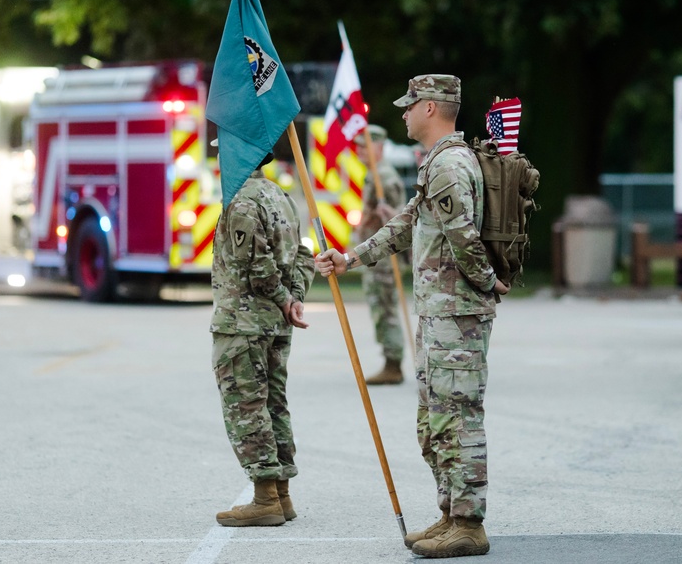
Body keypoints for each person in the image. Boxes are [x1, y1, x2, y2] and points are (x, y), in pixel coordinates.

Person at [315, 74, 509, 559]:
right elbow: (405, 223)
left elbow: (463, 238)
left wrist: (486, 281)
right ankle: (450, 514)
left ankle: (468, 523)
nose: (402, 112)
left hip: (457, 315)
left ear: (431, 108)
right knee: (434, 419)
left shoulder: (447, 165)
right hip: (440, 313)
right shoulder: (437, 163)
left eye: (410, 105)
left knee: (456, 418)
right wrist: (352, 258)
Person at [209, 143, 315, 528]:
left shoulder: (241, 200)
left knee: (246, 407)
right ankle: (282, 495)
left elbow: (256, 267)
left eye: (223, 152)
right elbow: (303, 255)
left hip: (243, 324)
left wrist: (286, 297)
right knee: (273, 404)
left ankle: (265, 497)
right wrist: (294, 299)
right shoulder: (280, 196)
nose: (220, 159)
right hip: (273, 325)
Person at [353, 124, 408, 385]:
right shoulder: (373, 175)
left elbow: (400, 215)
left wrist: (388, 213)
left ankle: (393, 363)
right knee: (379, 307)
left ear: (380, 147)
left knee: (385, 308)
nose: (360, 150)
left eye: (366, 145)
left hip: (384, 258)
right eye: (359, 146)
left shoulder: (384, 177)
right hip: (375, 254)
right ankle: (390, 360)